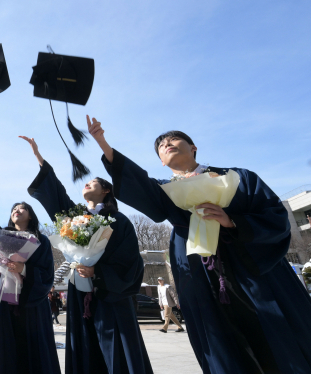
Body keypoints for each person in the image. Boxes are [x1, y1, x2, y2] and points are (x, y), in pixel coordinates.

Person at [90, 115, 311, 373]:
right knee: (221, 339)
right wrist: (103, 143)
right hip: (198, 270)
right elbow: (137, 183)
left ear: (193, 147)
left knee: (277, 336)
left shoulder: (238, 178)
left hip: (250, 266)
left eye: (174, 139)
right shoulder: (165, 191)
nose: (167, 143)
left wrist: (232, 221)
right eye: (161, 146)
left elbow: (275, 217)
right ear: (161, 161)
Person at [21, 136, 153, 374]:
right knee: (84, 349)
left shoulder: (119, 221)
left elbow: (130, 262)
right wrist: (39, 158)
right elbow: (57, 195)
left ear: (107, 190)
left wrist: (98, 272)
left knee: (116, 352)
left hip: (111, 295)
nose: (87, 184)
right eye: (86, 182)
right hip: (79, 291)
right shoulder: (75, 218)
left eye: (93, 182)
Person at [0, 166, 61, 374]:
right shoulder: (4, 237)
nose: (17, 210)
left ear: (30, 216)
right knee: (8, 352)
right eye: (14, 209)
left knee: (35, 352)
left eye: (22, 208)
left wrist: (24, 269)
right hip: (6, 301)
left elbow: (48, 274)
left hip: (32, 304)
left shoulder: (42, 240)